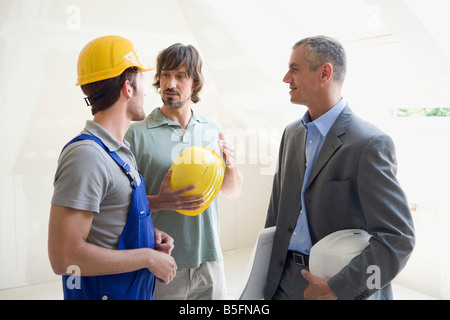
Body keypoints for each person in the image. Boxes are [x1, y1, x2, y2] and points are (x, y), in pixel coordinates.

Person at [264, 35, 415, 300]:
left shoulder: (369, 144)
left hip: (336, 284)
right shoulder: (291, 134)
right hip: (283, 282)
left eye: (295, 69)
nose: (286, 78)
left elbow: (398, 239)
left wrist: (338, 288)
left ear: (324, 73)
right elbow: (275, 217)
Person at [48, 35, 177, 300]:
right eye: (141, 80)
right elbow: (64, 257)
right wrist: (147, 257)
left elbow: (109, 217)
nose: (145, 90)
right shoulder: (87, 155)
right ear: (127, 87)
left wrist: (145, 236)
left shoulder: (119, 150)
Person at [125, 43, 243, 300]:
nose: (171, 83)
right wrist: (159, 201)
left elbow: (232, 192)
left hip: (210, 259)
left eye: (180, 76)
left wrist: (231, 166)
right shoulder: (137, 133)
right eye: (166, 75)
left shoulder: (212, 130)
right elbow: (122, 202)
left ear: (195, 82)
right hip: (162, 261)